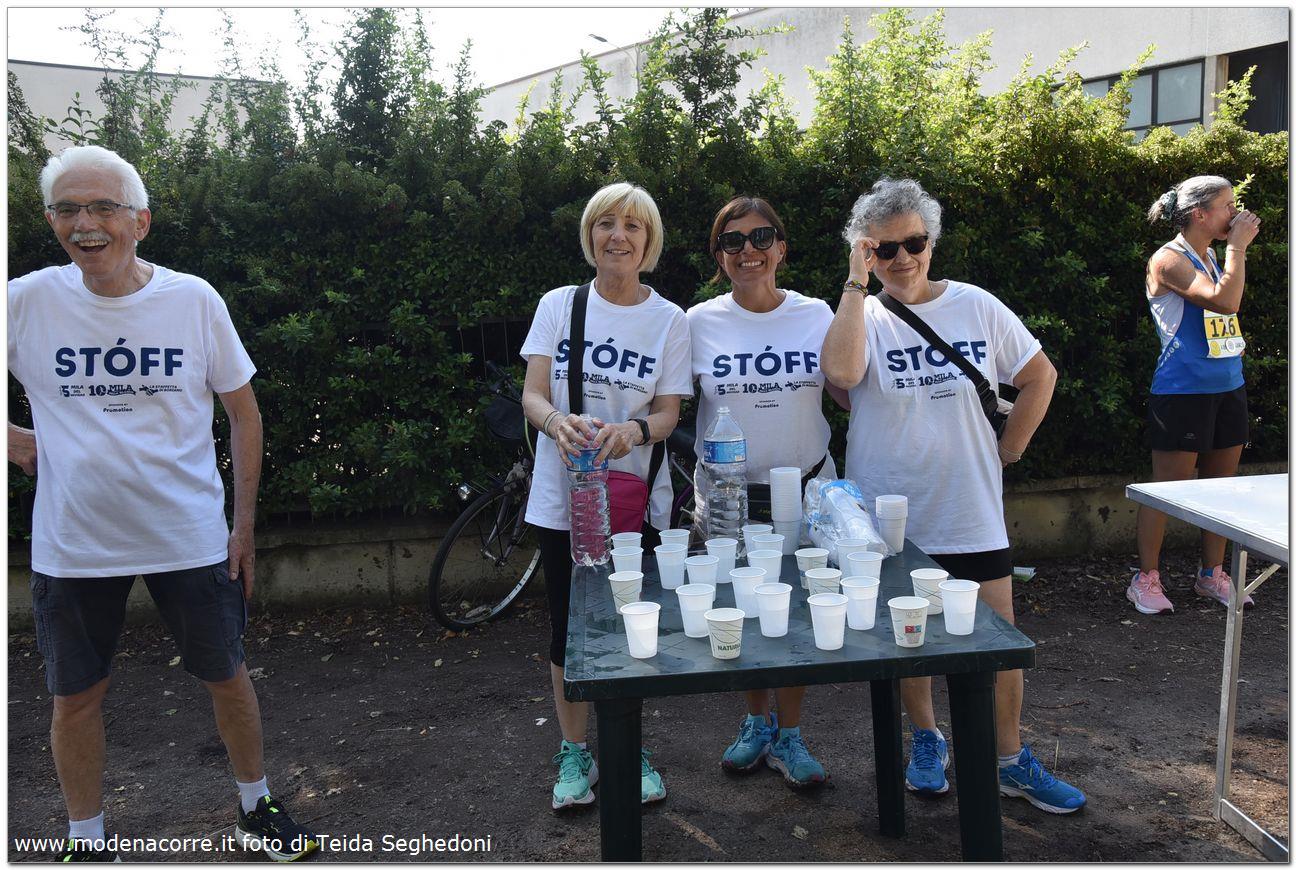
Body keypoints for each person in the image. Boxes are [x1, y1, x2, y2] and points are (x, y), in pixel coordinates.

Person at [7, 145, 317, 861]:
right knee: (75, 698)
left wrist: (243, 527)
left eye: (103, 207)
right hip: (74, 543)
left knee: (227, 678)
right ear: (52, 221)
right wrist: (10, 439)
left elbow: (244, 414)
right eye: (67, 209)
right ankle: (87, 841)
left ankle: (256, 806)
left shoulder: (192, 300)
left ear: (140, 221)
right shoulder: (25, 301)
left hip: (189, 535)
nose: (84, 224)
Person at [821, 177, 1085, 814]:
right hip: (890, 517)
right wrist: (856, 284)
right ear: (866, 252)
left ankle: (1008, 758)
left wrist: (1010, 450)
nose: (903, 258)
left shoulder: (976, 306)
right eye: (884, 248)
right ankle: (926, 739)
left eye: (914, 242)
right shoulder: (861, 316)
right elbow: (842, 374)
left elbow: (1039, 375)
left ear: (932, 241)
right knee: (908, 640)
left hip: (970, 511)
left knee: (998, 643)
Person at [519, 182, 692, 810]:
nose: (618, 236)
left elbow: (669, 413)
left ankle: (628, 746)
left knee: (631, 623)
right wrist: (554, 422)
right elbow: (532, 393)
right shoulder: (558, 304)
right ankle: (574, 751)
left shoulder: (669, 320)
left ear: (649, 242)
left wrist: (635, 431)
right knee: (567, 628)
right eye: (606, 223)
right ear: (590, 234)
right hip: (560, 497)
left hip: (630, 500)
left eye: (633, 226)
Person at [687, 196, 849, 789]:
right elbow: (666, 402)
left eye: (761, 238)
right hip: (730, 501)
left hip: (808, 492)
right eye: (732, 241)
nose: (747, 251)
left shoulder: (816, 313)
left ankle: (792, 734)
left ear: (781, 247)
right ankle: (756, 722)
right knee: (743, 613)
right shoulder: (697, 322)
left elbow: (850, 389)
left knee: (798, 615)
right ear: (719, 256)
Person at [1131, 177, 1261, 615]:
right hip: (1182, 390)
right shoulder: (1168, 260)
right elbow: (1225, 302)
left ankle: (1211, 574)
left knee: (1221, 488)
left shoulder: (1210, 256)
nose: (1235, 213)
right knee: (1166, 490)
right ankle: (1145, 578)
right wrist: (1238, 247)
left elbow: (1225, 311)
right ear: (1200, 214)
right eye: (1228, 206)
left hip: (1228, 385)